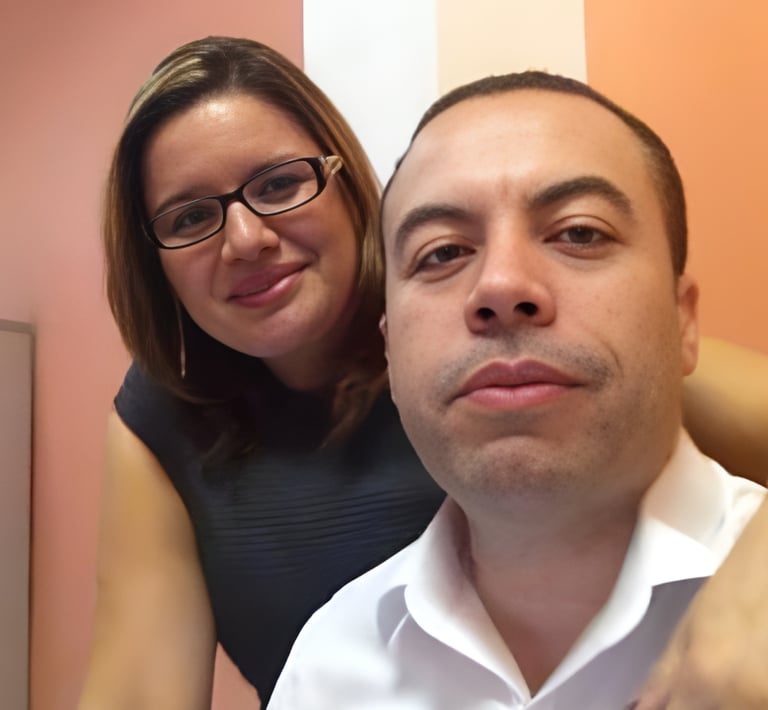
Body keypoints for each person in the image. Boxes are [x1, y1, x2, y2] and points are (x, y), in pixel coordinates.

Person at [77, 36, 767, 710]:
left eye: (280, 184)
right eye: (190, 217)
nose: (246, 239)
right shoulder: (168, 418)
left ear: (346, 187)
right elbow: (137, 691)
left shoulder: (531, 350)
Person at [267, 72, 767, 709]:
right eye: (442, 253)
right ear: (390, 351)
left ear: (684, 320)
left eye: (579, 233)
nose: (500, 286)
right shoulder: (327, 667)